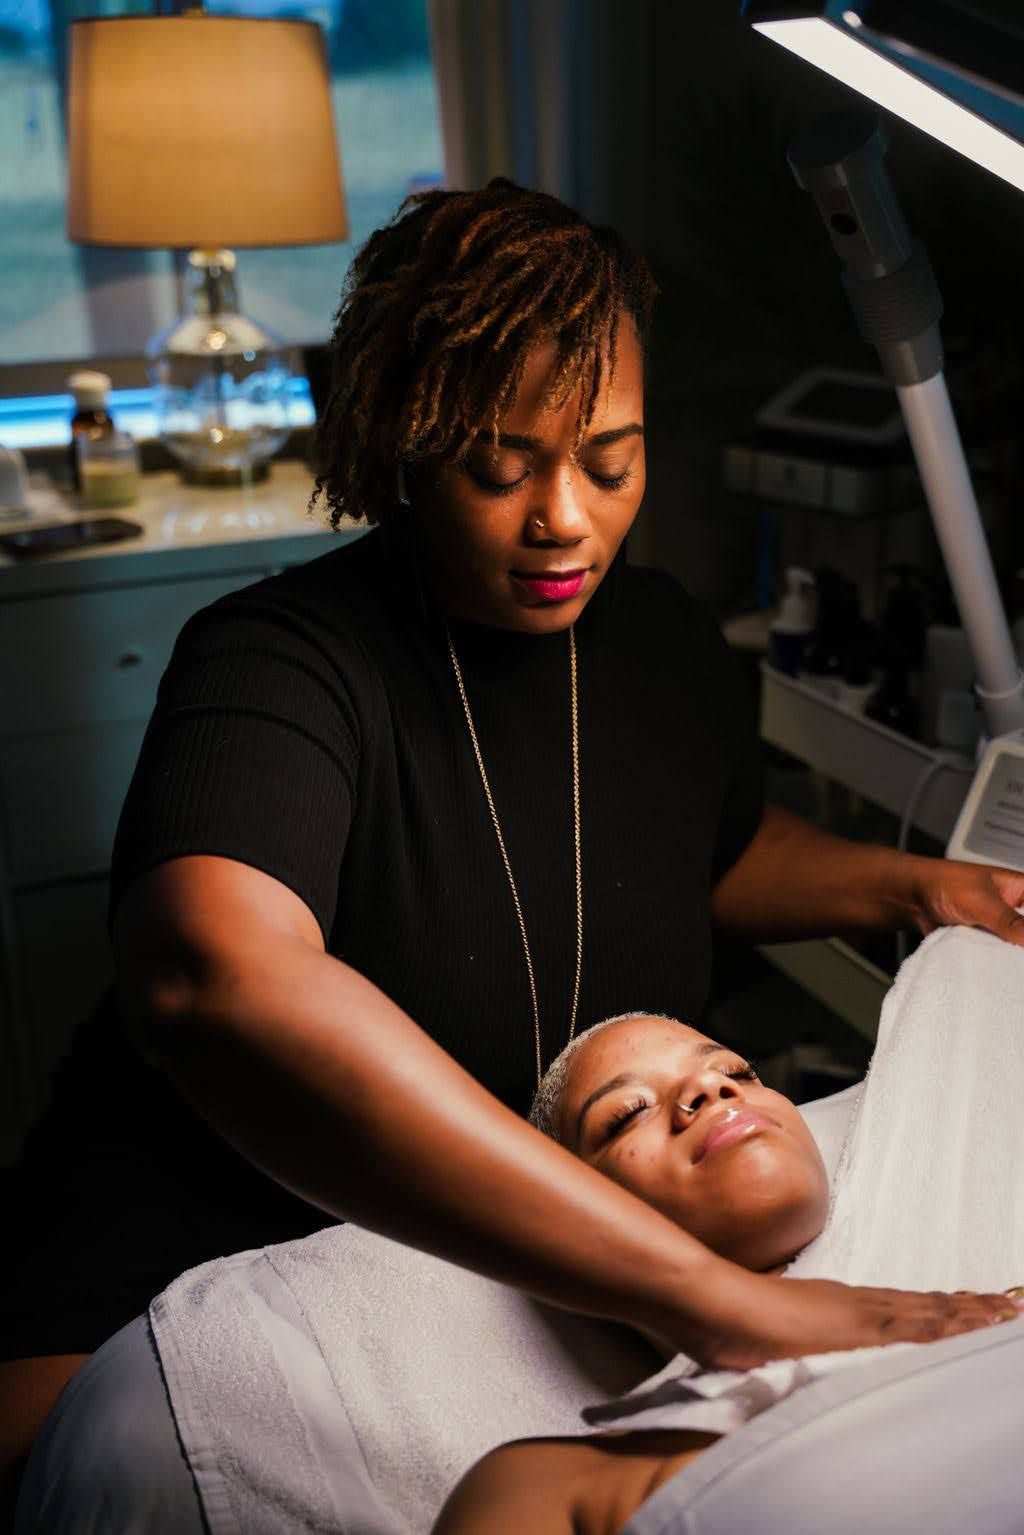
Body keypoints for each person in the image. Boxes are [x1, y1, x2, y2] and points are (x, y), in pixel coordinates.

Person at [5, 178, 1024, 1508]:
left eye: (611, 460)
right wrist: (724, 1301)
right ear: (401, 444)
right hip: (184, 1251)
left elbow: (706, 851)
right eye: (501, 466)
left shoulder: (656, 638)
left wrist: (910, 884)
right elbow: (217, 974)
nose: (566, 520)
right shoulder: (280, 662)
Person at [433, 1010, 1024, 1535]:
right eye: (627, 1113)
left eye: (739, 1073)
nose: (709, 1086)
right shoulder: (547, 1486)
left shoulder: (989, 1281)